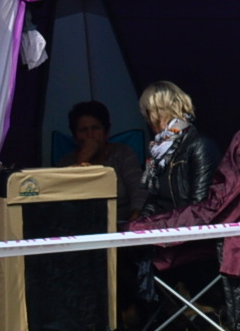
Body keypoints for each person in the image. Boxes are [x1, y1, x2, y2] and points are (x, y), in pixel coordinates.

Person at [56, 100, 145, 228]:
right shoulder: (66, 163)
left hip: (123, 225)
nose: (90, 135)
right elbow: (65, 204)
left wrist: (133, 222)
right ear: (75, 136)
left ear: (106, 131)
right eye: (83, 130)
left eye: (95, 128)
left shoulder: (123, 154)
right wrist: (82, 162)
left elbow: (139, 190)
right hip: (81, 228)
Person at [138, 82, 218, 217]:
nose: (147, 120)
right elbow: (154, 201)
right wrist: (138, 224)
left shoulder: (200, 146)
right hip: (167, 225)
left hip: (185, 226)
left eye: (148, 113)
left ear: (159, 112)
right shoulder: (159, 150)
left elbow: (199, 207)